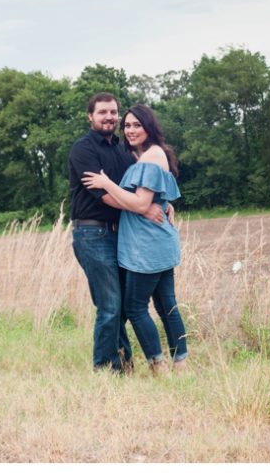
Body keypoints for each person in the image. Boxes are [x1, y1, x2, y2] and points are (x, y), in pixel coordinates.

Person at [83, 104, 188, 375]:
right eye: (127, 125)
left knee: (135, 307)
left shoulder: (152, 156)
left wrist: (106, 184)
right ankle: (182, 364)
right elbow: (149, 198)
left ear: (149, 126)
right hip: (155, 239)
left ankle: (159, 366)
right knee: (167, 306)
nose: (130, 130)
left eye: (136, 125)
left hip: (147, 244)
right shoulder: (139, 155)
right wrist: (162, 202)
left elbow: (141, 204)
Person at [69, 92, 169, 372]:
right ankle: (106, 370)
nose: (110, 117)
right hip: (92, 234)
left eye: (114, 112)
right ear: (90, 116)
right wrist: (144, 209)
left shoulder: (124, 151)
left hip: (121, 234)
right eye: (103, 112)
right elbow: (103, 194)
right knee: (110, 305)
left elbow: (142, 187)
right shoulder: (83, 149)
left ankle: (123, 362)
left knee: (123, 306)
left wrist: (162, 203)